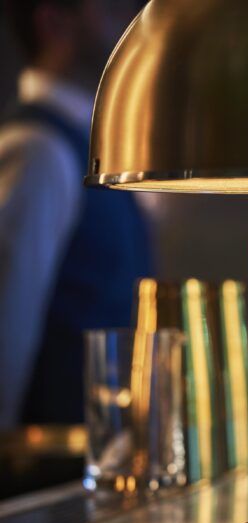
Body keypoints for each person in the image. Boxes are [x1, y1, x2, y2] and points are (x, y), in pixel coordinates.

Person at [0, 0, 152, 428]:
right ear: (52, 22)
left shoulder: (90, 150)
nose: (130, 19)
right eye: (108, 8)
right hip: (49, 479)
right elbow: (5, 335)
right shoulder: (37, 149)